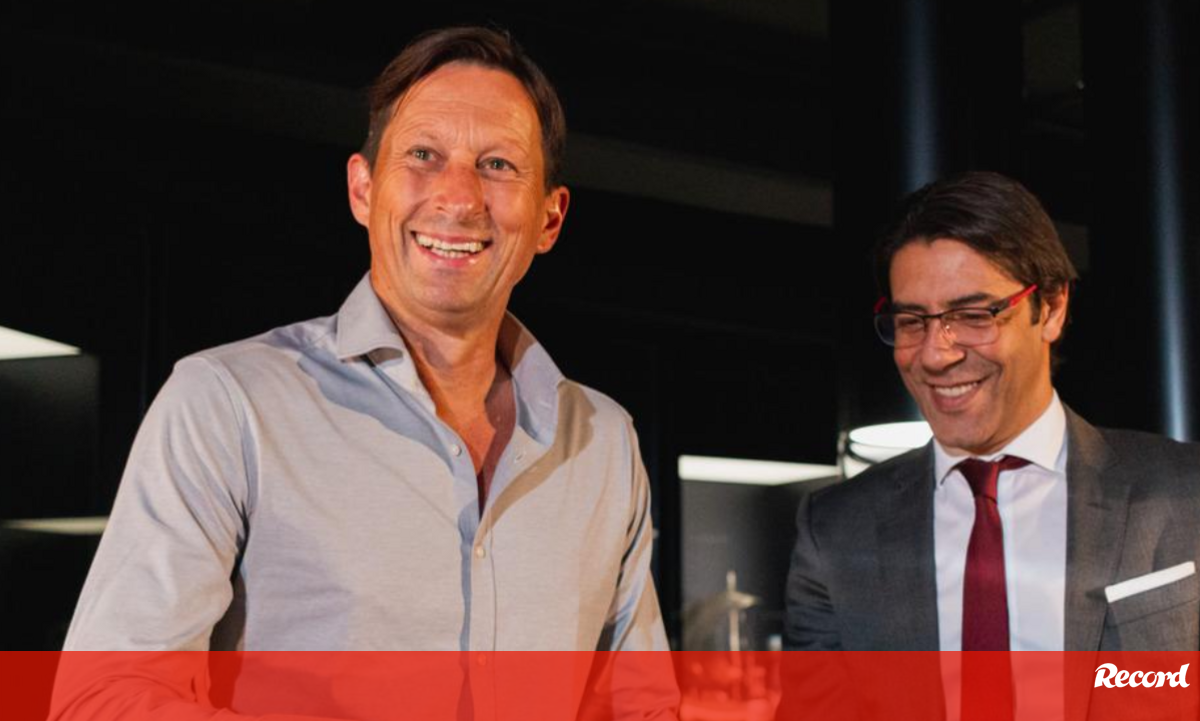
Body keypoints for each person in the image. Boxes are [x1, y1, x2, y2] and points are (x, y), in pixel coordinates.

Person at [53, 26, 677, 720]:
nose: (459, 197)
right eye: (423, 155)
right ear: (362, 188)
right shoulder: (226, 404)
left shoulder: (603, 443)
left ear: (549, 219)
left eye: (498, 164)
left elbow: (640, 707)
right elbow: (100, 700)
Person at [781, 171, 1200, 716]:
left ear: (1051, 307)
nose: (937, 354)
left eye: (973, 315)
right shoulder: (836, 530)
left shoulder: (1185, 494)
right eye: (912, 321)